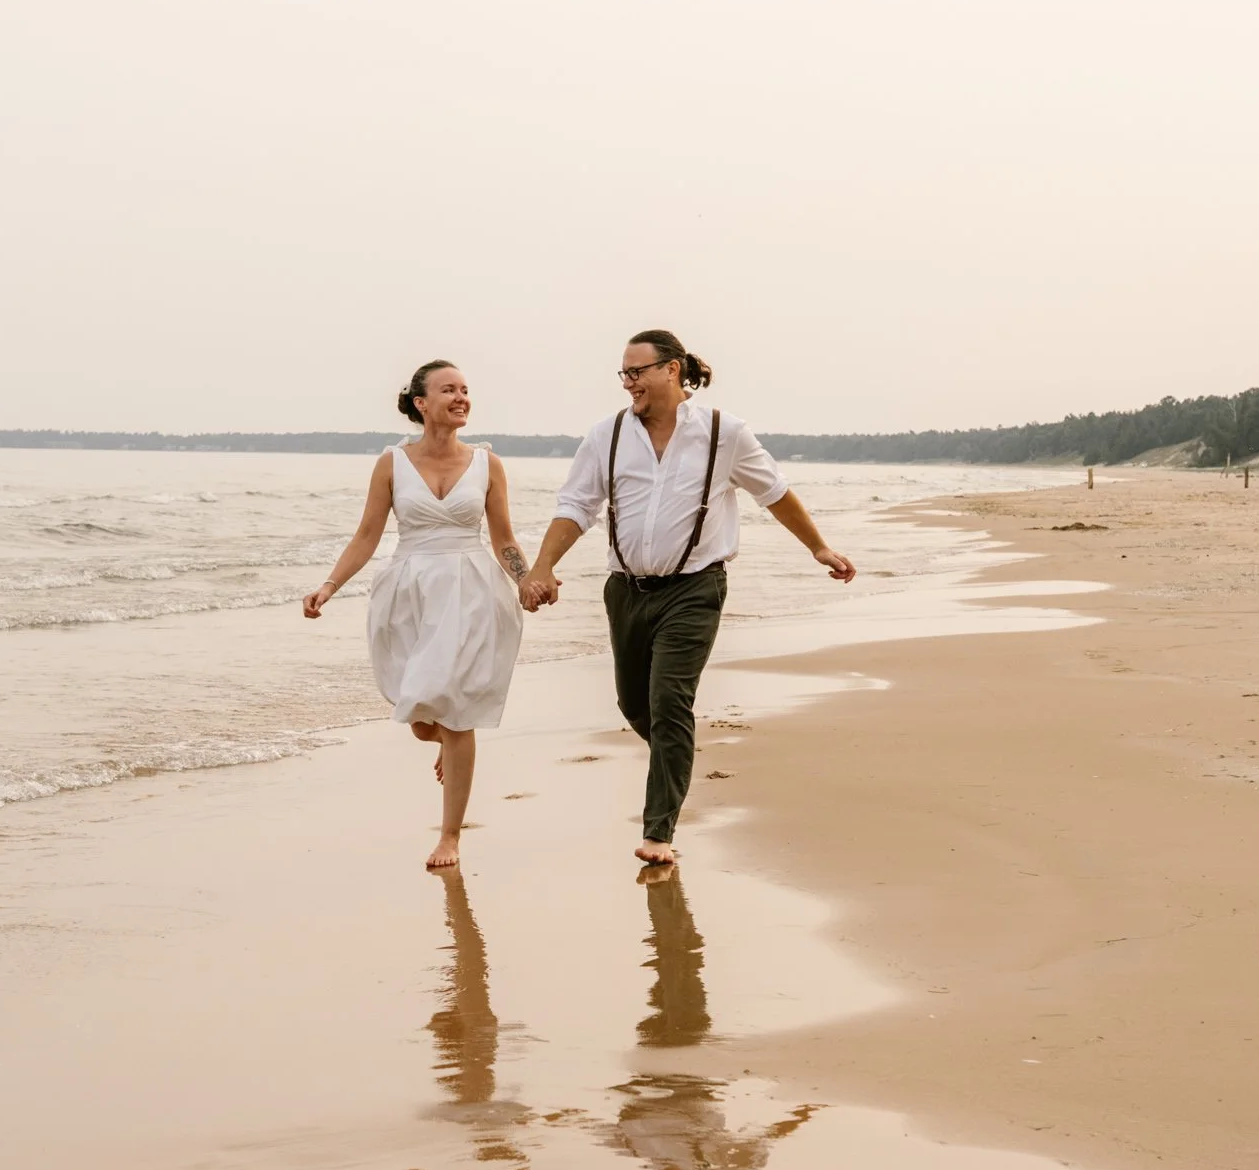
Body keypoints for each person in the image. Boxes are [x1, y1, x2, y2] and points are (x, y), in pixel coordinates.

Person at [519, 330, 853, 867]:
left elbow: (775, 493)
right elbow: (576, 505)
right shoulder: (605, 436)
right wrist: (542, 566)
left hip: (696, 587)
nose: (629, 384)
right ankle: (676, 760)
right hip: (625, 591)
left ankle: (658, 831)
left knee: (669, 703)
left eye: (637, 372)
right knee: (635, 704)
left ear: (671, 370)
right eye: (623, 375)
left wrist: (819, 547)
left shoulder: (724, 433)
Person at [303, 361, 526, 868]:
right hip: (409, 591)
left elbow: (504, 538)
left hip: (471, 590)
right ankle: (440, 737)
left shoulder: (488, 463)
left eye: (466, 389)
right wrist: (329, 585)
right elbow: (367, 535)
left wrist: (528, 579)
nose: (462, 396)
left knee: (458, 711)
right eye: (449, 390)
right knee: (421, 710)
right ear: (421, 403)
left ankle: (450, 836)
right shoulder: (391, 463)